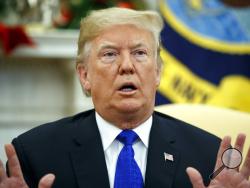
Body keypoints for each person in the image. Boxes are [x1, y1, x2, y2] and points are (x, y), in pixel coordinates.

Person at [0, 7, 250, 188]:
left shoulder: (208, 156)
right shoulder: (35, 154)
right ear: (85, 75)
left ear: (158, 73)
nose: (127, 66)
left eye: (140, 53)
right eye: (110, 54)